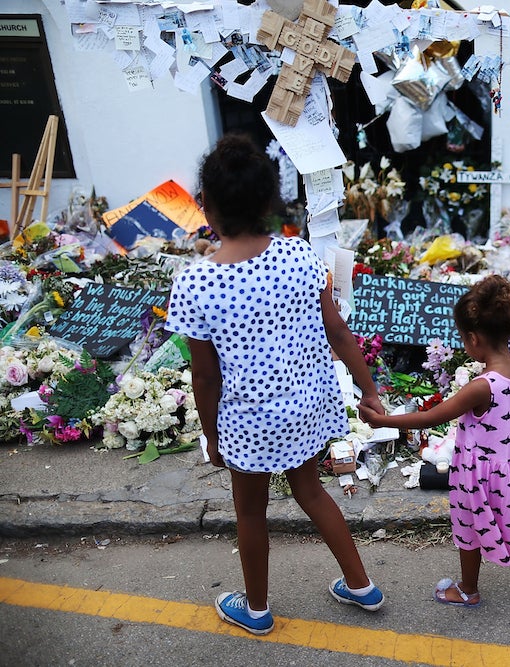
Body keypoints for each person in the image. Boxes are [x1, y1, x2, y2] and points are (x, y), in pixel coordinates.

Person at [165, 134, 386, 636]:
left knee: (250, 512)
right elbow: (338, 333)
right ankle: (360, 585)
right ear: (270, 203)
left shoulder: (196, 282)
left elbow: (205, 376)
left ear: (205, 206)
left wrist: (212, 435)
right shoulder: (302, 257)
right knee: (311, 491)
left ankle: (258, 609)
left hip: (247, 417)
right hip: (308, 405)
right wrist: (368, 389)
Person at [359, 274, 510, 607]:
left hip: (478, 473)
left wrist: (381, 420)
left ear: (473, 338)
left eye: (463, 338)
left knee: (470, 529)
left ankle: (468, 589)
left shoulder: (482, 385)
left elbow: (431, 417)